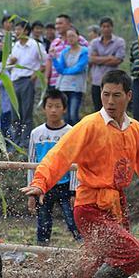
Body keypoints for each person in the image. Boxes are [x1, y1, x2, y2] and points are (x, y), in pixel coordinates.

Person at [21, 70, 139, 278]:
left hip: (116, 207)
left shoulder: (135, 129)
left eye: (117, 95)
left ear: (128, 96)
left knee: (89, 268)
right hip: (90, 207)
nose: (110, 101)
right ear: (100, 94)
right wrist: (40, 184)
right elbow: (58, 156)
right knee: (137, 254)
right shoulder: (89, 125)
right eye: (106, 94)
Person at [27, 89, 82, 246]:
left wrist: (74, 191)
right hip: (44, 186)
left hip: (65, 185)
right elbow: (31, 164)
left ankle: (86, 252)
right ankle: (42, 258)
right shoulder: (36, 133)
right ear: (44, 108)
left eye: (57, 106)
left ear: (64, 108)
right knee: (43, 223)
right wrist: (32, 190)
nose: (53, 110)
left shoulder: (71, 132)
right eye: (50, 106)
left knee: (73, 221)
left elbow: (75, 162)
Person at [8, 21, 46, 148]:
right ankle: (15, 142)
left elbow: (45, 63)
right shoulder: (15, 45)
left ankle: (25, 143)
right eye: (16, 29)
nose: (17, 32)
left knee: (26, 113)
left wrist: (34, 76)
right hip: (14, 81)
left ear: (26, 31)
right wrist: (11, 61)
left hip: (27, 80)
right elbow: (8, 64)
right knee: (15, 114)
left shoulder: (35, 45)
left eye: (19, 29)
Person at [52, 28, 89, 126]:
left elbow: (79, 68)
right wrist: (54, 59)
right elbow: (60, 68)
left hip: (76, 87)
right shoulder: (65, 52)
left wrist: (65, 71)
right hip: (64, 86)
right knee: (66, 116)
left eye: (73, 36)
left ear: (78, 37)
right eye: (68, 36)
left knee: (73, 114)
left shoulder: (84, 51)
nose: (70, 38)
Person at [89, 17, 125, 112]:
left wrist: (99, 59)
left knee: (113, 108)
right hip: (97, 81)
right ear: (100, 28)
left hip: (112, 81)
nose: (106, 29)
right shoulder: (94, 42)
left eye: (108, 26)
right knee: (98, 110)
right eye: (104, 26)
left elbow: (117, 60)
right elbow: (91, 59)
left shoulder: (119, 42)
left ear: (112, 28)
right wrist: (109, 57)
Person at [46, 14, 88, 89]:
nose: (57, 26)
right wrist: (46, 78)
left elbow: (87, 58)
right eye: (56, 24)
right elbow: (49, 61)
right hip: (55, 82)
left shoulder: (80, 40)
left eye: (60, 23)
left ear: (69, 25)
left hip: (73, 84)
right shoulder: (55, 42)